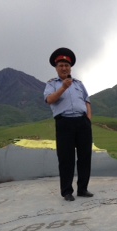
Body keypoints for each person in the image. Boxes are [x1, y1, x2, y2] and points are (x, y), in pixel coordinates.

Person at [43, 47, 94, 202]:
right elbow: (49, 100)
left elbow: (87, 101)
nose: (64, 68)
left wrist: (88, 119)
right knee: (66, 158)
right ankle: (67, 191)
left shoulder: (79, 84)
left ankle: (83, 188)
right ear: (56, 68)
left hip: (82, 122)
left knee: (85, 156)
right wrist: (63, 88)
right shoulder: (52, 84)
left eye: (66, 65)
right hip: (64, 122)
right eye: (61, 66)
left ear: (70, 67)